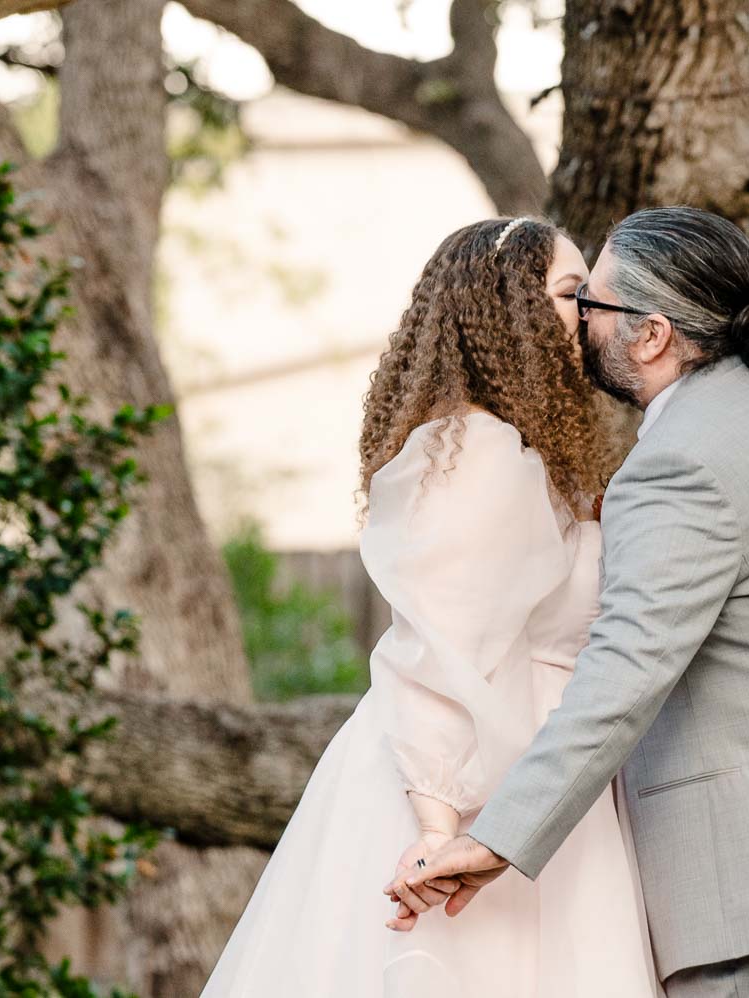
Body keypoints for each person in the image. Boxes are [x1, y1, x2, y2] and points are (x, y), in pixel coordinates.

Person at [390, 206, 749, 996]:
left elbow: (623, 674)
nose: (579, 324)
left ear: (653, 334)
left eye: (591, 305)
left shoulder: (679, 464)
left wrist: (498, 839)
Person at [201, 217, 660, 997]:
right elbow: (437, 649)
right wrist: (440, 828)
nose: (587, 312)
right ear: (505, 307)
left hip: (539, 768)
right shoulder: (475, 453)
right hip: (467, 776)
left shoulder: (519, 453)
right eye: (568, 292)